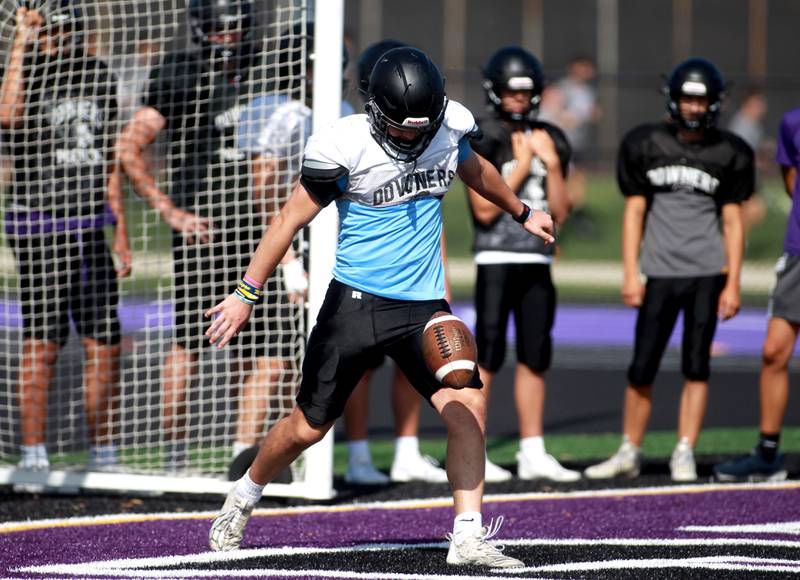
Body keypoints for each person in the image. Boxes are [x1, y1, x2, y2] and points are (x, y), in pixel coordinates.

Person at [205, 47, 554, 568]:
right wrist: (245, 293)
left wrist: (522, 211)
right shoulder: (343, 146)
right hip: (356, 304)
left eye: (421, 128)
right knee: (308, 426)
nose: (412, 137)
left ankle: (467, 535)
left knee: (467, 403)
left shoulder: (448, 128)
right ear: (376, 111)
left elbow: (475, 169)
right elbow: (286, 221)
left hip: (423, 306)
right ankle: (245, 493)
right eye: (403, 128)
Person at [118, 0, 296, 467]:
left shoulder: (268, 65)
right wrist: (168, 210)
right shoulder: (178, 70)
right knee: (191, 342)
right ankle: (175, 454)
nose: (227, 37)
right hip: (203, 230)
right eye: (218, 29)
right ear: (201, 29)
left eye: (234, 28)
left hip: (262, 231)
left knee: (268, 347)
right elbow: (129, 146)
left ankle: (244, 456)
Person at [584, 57, 754, 483]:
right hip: (659, 272)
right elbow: (634, 212)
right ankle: (630, 448)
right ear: (673, 99)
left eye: (702, 101)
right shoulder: (646, 143)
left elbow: (733, 221)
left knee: (696, 365)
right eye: (688, 99)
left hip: (706, 272)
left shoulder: (729, 151)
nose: (694, 108)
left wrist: (734, 280)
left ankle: (684, 449)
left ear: (714, 103)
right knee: (642, 366)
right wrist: (629, 272)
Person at [0, 1, 130, 469]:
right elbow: (7, 116)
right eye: (52, 30)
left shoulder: (97, 72)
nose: (60, 37)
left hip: (91, 223)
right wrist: (22, 41)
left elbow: (110, 156)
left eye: (66, 29)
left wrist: (121, 231)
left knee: (105, 342)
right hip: (39, 224)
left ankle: (104, 452)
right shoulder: (24, 69)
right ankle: (34, 454)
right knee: (43, 341)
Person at [467, 46, 578, 483]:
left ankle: (532, 449)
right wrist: (524, 164)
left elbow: (562, 211)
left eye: (524, 92)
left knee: (535, 354)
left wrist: (550, 164)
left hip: (536, 261)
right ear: (495, 91)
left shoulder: (551, 135)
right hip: (495, 257)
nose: (518, 99)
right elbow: (482, 210)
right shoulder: (483, 136)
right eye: (510, 92)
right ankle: (474, 446)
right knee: (489, 355)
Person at [342, 39, 448, 485]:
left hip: (415, 276)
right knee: (358, 370)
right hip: (360, 276)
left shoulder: (435, 135)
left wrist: (441, 274)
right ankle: (358, 454)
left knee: (415, 365)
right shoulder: (347, 138)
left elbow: (431, 207)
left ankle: (407, 449)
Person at [713, 107, 800, 483]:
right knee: (774, 350)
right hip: (798, 254)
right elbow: (791, 183)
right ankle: (768, 453)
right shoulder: (792, 122)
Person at [542, 55, 600, 237]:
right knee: (560, 181)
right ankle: (556, 223)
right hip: (562, 143)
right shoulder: (563, 88)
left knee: (577, 180)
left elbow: (592, 112)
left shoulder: (588, 91)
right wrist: (567, 118)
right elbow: (551, 110)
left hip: (577, 143)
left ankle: (573, 216)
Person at [727, 86, 768, 233]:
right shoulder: (742, 125)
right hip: (741, 180)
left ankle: (738, 245)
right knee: (751, 212)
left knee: (752, 214)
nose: (763, 107)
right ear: (749, 103)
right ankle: (734, 245)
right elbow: (738, 156)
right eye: (759, 103)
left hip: (750, 180)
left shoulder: (754, 126)